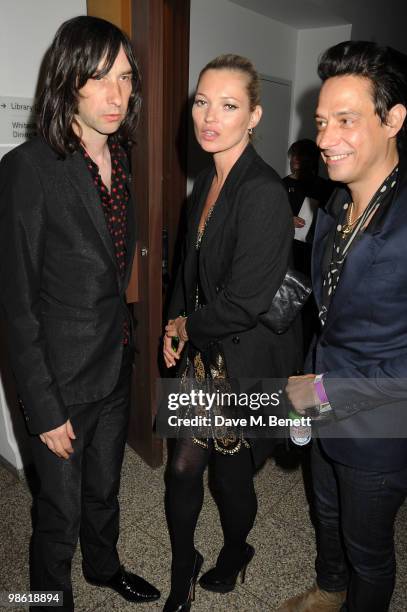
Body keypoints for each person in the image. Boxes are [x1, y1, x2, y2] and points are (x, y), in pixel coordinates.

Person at [0, 16, 160, 610]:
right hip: (60, 384)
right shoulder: (26, 171)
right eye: (98, 79)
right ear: (67, 82)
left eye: (123, 77)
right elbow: (16, 306)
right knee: (57, 512)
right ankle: (46, 601)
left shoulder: (123, 156)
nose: (116, 95)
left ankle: (104, 565)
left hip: (115, 363)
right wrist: (42, 409)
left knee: (106, 490)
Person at [162, 54, 300, 611]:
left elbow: (245, 303)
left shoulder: (263, 191)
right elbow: (187, 269)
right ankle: (180, 569)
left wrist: (183, 323)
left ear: (254, 116)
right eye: (201, 102)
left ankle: (237, 548)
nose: (208, 116)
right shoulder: (207, 181)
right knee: (181, 466)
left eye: (227, 105)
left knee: (233, 478)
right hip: (202, 354)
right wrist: (176, 326)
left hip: (246, 359)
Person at [276, 41, 407, 612]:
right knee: (325, 513)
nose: (325, 139)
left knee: (368, 550)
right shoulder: (333, 206)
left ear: (393, 119)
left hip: (379, 428)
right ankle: (329, 588)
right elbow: (328, 317)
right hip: (326, 400)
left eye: (346, 121)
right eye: (322, 121)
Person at [283, 140, 334, 356]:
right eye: (293, 155)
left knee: (308, 309)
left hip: (313, 253)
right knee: (285, 303)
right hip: (287, 251)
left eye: (301, 156)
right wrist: (287, 218)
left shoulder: (325, 187)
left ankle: (302, 354)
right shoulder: (282, 185)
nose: (296, 160)